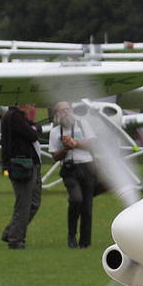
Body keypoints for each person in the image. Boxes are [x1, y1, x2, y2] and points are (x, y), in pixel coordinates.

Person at [50, 101, 97, 249]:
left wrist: (74, 143)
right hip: (69, 169)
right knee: (76, 199)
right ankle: (71, 234)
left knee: (87, 207)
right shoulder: (55, 132)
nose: (65, 112)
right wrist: (65, 148)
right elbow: (55, 156)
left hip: (87, 166)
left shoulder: (82, 124)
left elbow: (91, 144)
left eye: (67, 109)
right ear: (57, 114)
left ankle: (84, 243)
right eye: (61, 110)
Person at [0, 104, 41, 249]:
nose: (32, 107)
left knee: (34, 202)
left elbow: (35, 128)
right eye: (29, 104)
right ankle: (16, 239)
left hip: (29, 164)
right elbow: (33, 134)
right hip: (23, 166)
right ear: (22, 105)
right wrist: (34, 129)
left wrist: (34, 128)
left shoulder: (18, 117)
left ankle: (11, 231)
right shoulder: (15, 117)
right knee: (23, 204)